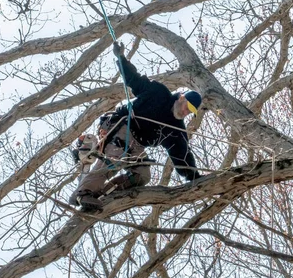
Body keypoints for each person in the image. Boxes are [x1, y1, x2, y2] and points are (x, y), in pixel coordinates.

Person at [69, 42, 203, 210]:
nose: (186, 112)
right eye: (187, 107)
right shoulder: (159, 93)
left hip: (137, 144)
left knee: (142, 175)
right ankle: (84, 193)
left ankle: (101, 194)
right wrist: (121, 58)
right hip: (122, 124)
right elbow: (135, 80)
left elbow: (182, 156)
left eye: (191, 111)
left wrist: (196, 178)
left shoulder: (176, 130)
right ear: (181, 98)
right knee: (116, 155)